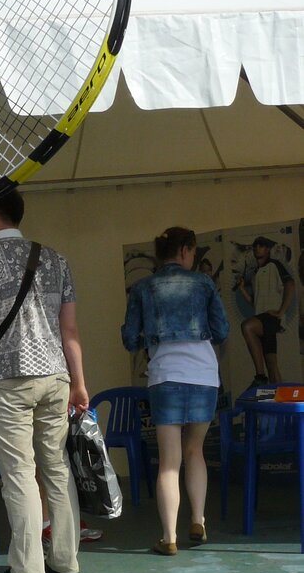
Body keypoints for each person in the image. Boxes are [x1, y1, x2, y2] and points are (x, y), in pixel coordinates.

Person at [0, 190, 88, 573]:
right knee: (56, 467)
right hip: (57, 375)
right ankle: (65, 559)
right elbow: (69, 329)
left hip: (9, 376)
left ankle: (27, 571)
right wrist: (80, 383)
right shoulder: (56, 259)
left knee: (19, 473)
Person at [121, 226, 230, 554]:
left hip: (165, 376)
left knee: (169, 462)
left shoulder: (143, 287)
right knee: (195, 451)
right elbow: (222, 330)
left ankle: (169, 538)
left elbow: (129, 339)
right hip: (203, 375)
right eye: (193, 252)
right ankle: (198, 520)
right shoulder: (204, 283)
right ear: (185, 250)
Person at [235, 235, 295, 385]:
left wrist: (281, 312)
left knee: (247, 326)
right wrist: (242, 289)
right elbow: (254, 302)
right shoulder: (255, 273)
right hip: (261, 318)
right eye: (255, 246)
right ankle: (279, 395)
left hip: (270, 317)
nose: (257, 248)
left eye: (261, 245)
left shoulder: (274, 265)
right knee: (271, 363)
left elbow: (290, 284)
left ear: (268, 249)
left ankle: (260, 377)